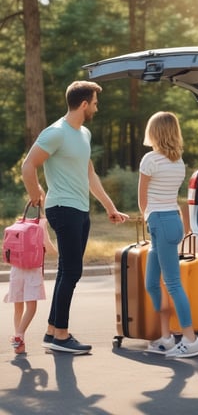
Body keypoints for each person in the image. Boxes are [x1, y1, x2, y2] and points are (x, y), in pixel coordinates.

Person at [21, 80, 129, 354]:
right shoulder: (56, 132)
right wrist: (36, 195)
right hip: (63, 209)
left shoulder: (84, 134)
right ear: (83, 104)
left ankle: (51, 331)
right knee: (72, 271)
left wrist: (109, 206)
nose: (96, 106)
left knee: (67, 272)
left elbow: (89, 174)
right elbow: (28, 166)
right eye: (94, 102)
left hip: (80, 210)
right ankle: (61, 336)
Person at [138, 111, 198, 358]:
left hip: (161, 223)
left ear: (154, 132)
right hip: (170, 222)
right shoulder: (178, 162)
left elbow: (142, 200)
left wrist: (149, 218)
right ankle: (166, 338)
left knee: (173, 284)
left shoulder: (150, 160)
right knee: (151, 284)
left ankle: (191, 340)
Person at [4, 189, 58, 354]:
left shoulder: (21, 221)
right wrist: (57, 251)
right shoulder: (41, 223)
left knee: (18, 307)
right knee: (31, 307)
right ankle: (19, 335)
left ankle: (19, 343)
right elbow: (49, 248)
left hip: (16, 270)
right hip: (32, 271)